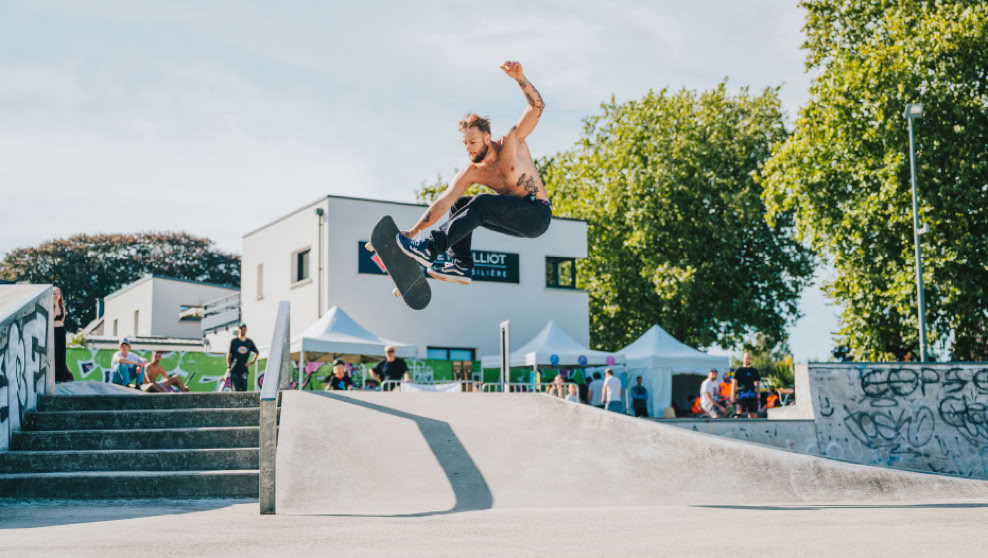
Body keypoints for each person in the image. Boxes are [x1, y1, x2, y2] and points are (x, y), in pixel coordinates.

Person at [396, 60, 550, 285]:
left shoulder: (512, 143)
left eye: (473, 142)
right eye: (465, 143)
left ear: (487, 137)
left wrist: (520, 79)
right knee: (461, 204)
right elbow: (443, 203)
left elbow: (537, 107)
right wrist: (413, 231)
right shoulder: (473, 171)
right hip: (515, 218)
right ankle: (461, 265)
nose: (468, 149)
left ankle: (431, 248)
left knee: (482, 203)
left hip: (537, 215)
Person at [227, 323, 258, 392]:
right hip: (234, 369)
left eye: (244, 329)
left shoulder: (249, 342)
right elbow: (229, 354)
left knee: (244, 389)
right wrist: (228, 365)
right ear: (239, 330)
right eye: (241, 329)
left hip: (244, 370)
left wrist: (251, 362)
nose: (243, 331)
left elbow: (257, 353)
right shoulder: (234, 342)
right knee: (236, 390)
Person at [52, 286, 73, 383]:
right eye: (54, 293)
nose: (56, 295)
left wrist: (58, 304)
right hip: (54, 331)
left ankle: (62, 376)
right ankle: (55, 376)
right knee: (55, 352)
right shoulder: (52, 305)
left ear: (60, 295)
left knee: (61, 352)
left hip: (61, 330)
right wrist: (55, 304)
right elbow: (53, 317)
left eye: (57, 293)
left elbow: (62, 319)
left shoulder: (63, 307)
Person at [732, 352, 762, 419]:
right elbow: (734, 383)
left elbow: (757, 382)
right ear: (743, 359)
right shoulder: (738, 370)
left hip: (752, 395)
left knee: (753, 415)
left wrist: (758, 392)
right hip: (741, 395)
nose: (747, 360)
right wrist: (732, 395)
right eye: (746, 358)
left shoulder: (754, 371)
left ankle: (752, 428)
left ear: (750, 359)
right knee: (739, 415)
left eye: (749, 358)